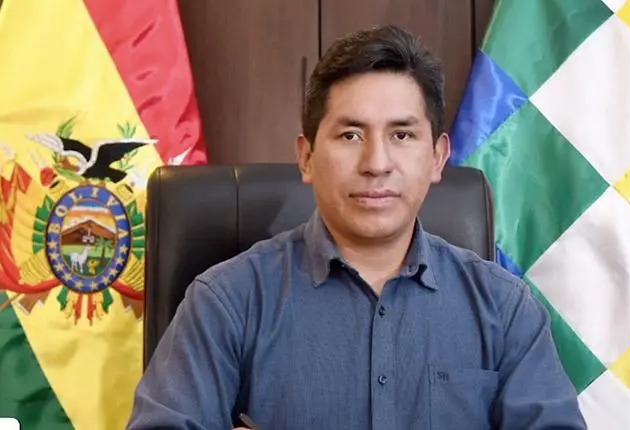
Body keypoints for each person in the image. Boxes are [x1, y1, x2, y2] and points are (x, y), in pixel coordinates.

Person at [127, 25, 587, 430]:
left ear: (437, 157)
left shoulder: (504, 309)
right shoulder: (228, 301)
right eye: (351, 135)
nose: (376, 163)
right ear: (307, 157)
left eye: (402, 135)